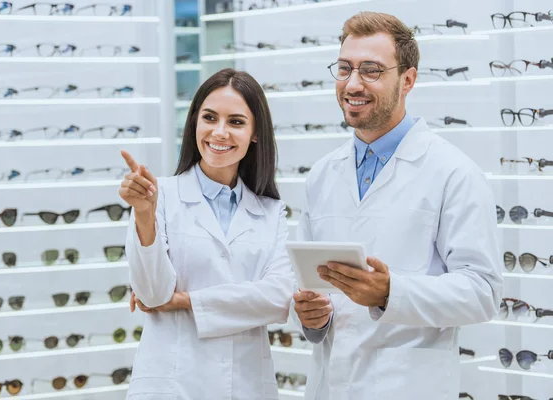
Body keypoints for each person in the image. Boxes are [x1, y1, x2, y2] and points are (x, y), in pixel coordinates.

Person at [291, 12, 503, 400]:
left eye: (371, 70)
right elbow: (310, 285)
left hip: (407, 386)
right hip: (330, 385)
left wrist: (390, 293)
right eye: (344, 68)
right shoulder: (323, 174)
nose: (352, 83)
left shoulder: (453, 172)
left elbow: (482, 291)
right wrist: (312, 318)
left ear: (408, 80)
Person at [119, 68, 295, 400]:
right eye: (210, 118)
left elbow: (278, 298)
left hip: (245, 385)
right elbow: (154, 296)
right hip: (171, 385)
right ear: (195, 124)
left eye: (236, 122)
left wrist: (185, 301)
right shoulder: (160, 197)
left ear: (255, 133)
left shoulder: (271, 213)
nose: (220, 132)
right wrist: (144, 214)